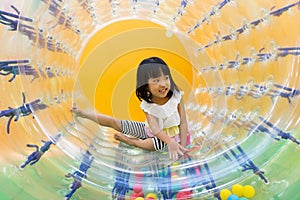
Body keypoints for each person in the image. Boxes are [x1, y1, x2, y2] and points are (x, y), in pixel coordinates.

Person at [71, 57, 190, 159]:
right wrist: (170, 142)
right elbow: (154, 128)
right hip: (150, 131)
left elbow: (183, 122)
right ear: (145, 86)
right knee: (116, 123)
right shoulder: (147, 105)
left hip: (172, 137)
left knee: (153, 145)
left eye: (166, 78)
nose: (163, 84)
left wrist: (181, 147)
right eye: (156, 80)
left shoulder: (176, 96)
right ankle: (83, 114)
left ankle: (131, 142)